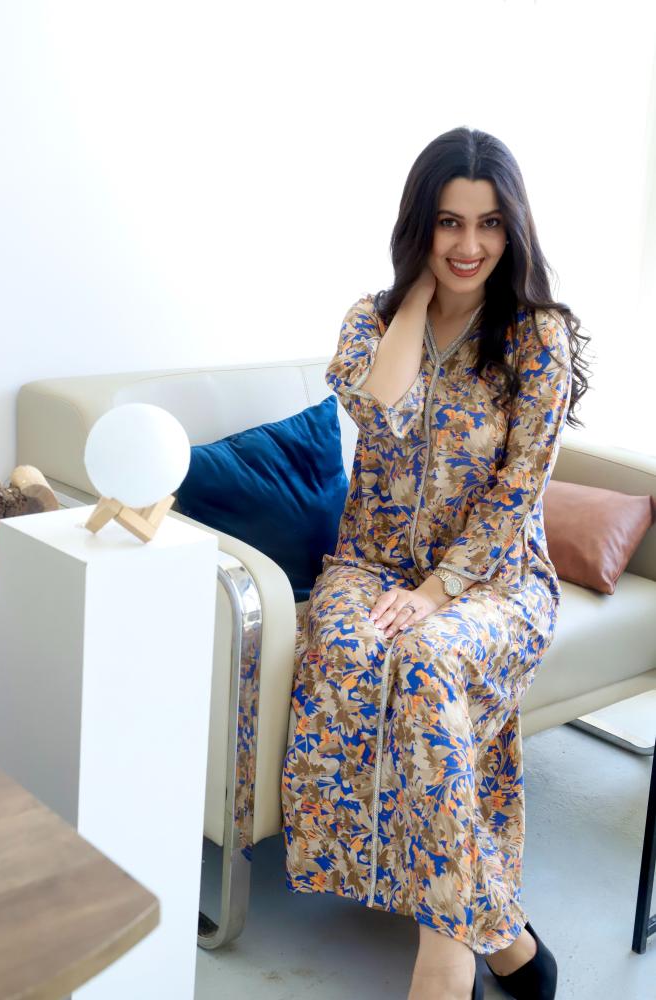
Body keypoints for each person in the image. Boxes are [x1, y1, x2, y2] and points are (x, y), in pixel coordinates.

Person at [280, 126, 591, 1000]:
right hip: (368, 564)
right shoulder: (370, 320)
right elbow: (382, 409)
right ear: (420, 224)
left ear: (513, 229)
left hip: (496, 578)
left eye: (489, 224)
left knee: (424, 660)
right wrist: (415, 296)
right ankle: (505, 937)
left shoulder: (537, 337)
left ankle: (443, 964)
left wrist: (439, 589)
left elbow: (520, 487)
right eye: (449, 222)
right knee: (345, 652)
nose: (469, 245)